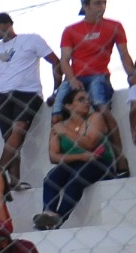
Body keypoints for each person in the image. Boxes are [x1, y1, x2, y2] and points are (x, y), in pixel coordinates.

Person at [0, 13, 63, 190]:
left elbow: (55, 62)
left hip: (28, 93)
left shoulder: (31, 40)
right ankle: (14, 181)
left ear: (8, 25)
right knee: (10, 138)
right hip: (3, 97)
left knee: (19, 129)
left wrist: (56, 90)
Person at [56, 0, 133, 174]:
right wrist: (72, 80)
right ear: (86, 6)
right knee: (57, 114)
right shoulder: (71, 30)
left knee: (102, 109)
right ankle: (65, 160)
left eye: (104, 2)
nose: (103, 6)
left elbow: (124, 55)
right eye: (98, 3)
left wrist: (132, 76)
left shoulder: (114, 26)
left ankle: (120, 159)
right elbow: (64, 60)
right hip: (75, 77)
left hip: (99, 75)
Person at [35, 90, 113, 230]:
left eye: (88, 99)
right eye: (81, 99)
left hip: (100, 163)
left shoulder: (95, 117)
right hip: (76, 162)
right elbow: (54, 157)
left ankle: (57, 219)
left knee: (76, 178)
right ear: (68, 105)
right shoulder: (58, 126)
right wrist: (81, 156)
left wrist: (66, 131)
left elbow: (90, 144)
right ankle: (48, 213)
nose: (87, 102)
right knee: (50, 179)